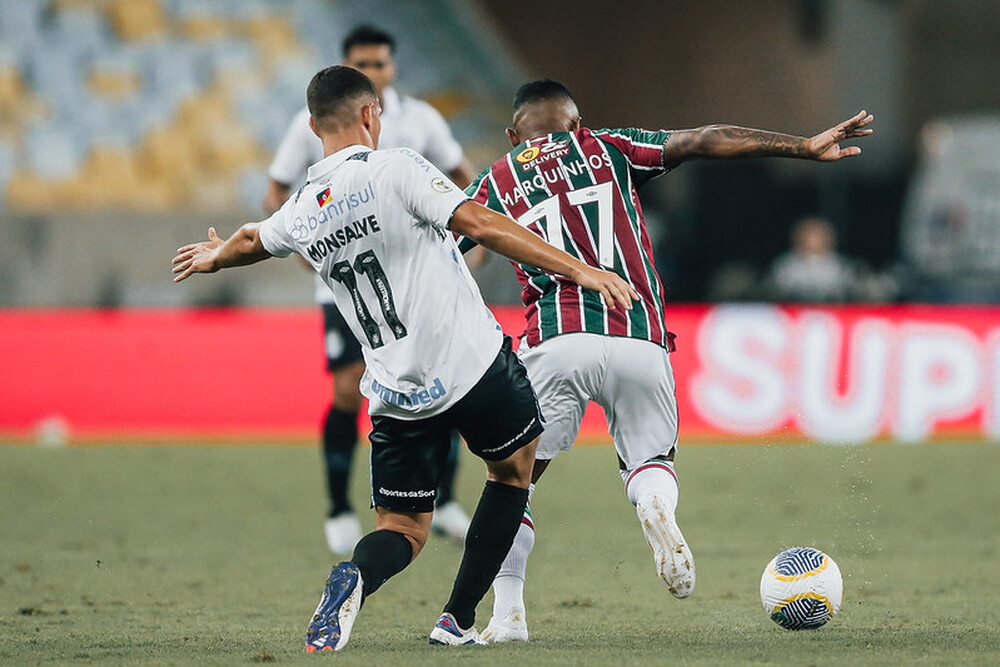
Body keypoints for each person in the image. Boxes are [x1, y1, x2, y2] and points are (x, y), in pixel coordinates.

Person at [172, 66, 638, 650]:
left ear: (314, 126)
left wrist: (216, 257)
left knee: (402, 528)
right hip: (470, 366)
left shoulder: (300, 210)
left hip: (395, 390)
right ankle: (457, 619)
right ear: (371, 114)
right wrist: (577, 268)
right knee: (515, 468)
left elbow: (251, 238)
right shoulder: (396, 168)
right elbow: (478, 222)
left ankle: (355, 578)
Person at [464, 79, 874, 642]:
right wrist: (801, 146)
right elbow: (706, 139)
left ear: (515, 135)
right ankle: (655, 504)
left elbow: (444, 249)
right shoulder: (608, 146)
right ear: (577, 124)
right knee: (651, 462)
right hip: (639, 334)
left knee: (516, 485)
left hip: (556, 342)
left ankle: (507, 614)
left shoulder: (494, 179)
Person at [263, 25, 477, 554]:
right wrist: (304, 249)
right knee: (346, 388)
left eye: (381, 63)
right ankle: (339, 508)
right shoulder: (312, 121)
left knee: (439, 376)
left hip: (415, 281)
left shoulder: (421, 119)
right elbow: (278, 188)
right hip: (348, 285)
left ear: (393, 67)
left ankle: (444, 499)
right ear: (349, 67)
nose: (376, 72)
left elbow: (463, 179)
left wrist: (467, 240)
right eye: (365, 64)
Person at [767, 215, 858, 302]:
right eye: (809, 233)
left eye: (819, 234)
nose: (815, 238)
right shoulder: (784, 266)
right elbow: (774, 294)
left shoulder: (843, 266)